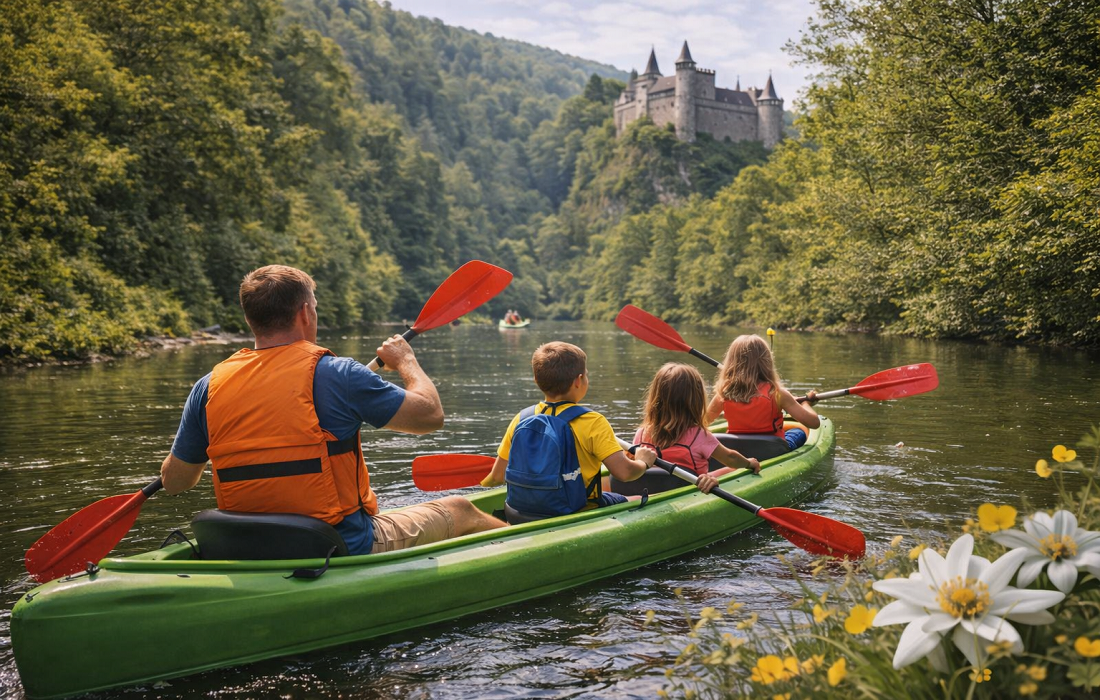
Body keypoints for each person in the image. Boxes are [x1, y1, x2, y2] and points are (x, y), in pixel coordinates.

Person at [160, 264, 506, 555]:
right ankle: (534, 546)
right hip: (334, 543)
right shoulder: (338, 374)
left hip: (243, 542)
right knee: (460, 510)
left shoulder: (208, 387)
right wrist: (406, 361)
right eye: (315, 306)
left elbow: (175, 482)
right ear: (305, 312)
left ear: (251, 319)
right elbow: (430, 415)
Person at [481, 341, 659, 512]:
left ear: (536, 379)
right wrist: (643, 462)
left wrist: (482, 483)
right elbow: (625, 473)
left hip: (522, 509)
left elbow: (497, 477)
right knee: (639, 499)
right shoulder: (592, 421)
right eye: (586, 375)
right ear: (579, 380)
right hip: (577, 509)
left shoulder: (521, 418)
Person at [633, 363, 759, 481]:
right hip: (690, 490)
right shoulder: (699, 436)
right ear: (696, 401)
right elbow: (730, 457)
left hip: (650, 492)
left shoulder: (641, 434)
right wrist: (748, 463)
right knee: (732, 468)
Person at [705, 334, 819, 451]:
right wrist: (805, 403)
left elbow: (703, 422)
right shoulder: (778, 394)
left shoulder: (724, 394)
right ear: (767, 362)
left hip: (738, 451)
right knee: (798, 431)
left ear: (731, 361)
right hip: (772, 450)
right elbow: (814, 423)